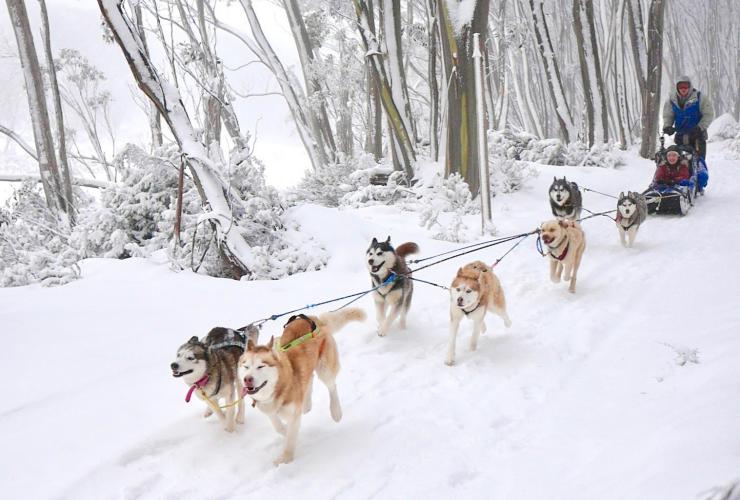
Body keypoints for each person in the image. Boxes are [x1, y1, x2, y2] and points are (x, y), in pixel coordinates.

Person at [662, 75, 713, 158]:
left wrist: (700, 127)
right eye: (680, 86)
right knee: (681, 163)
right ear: (677, 87)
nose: (683, 89)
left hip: (697, 137)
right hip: (680, 137)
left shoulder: (699, 97)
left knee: (699, 164)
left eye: (685, 86)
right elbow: (668, 115)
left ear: (690, 86)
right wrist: (668, 126)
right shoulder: (672, 100)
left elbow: (708, 114)